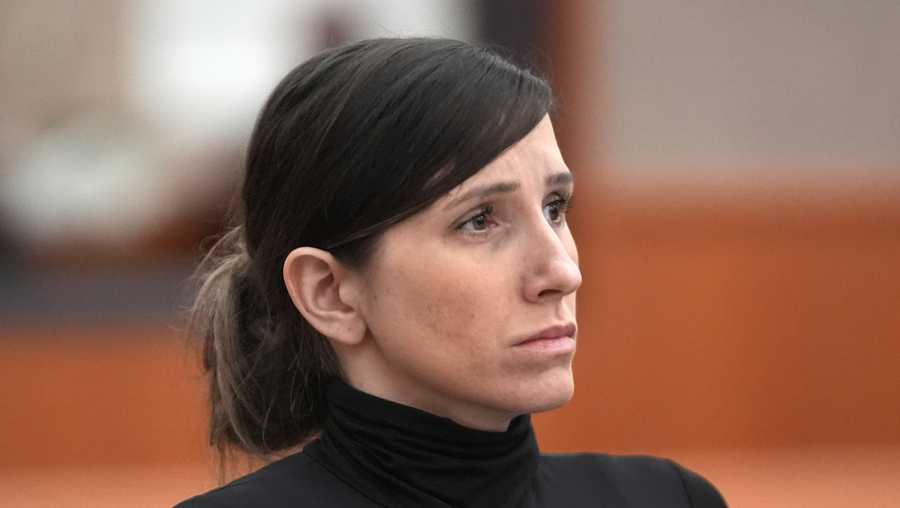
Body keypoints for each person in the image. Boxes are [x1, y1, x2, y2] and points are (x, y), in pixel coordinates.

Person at [175, 37, 728, 508]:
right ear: (331, 294)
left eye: (556, 208)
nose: (562, 272)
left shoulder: (667, 499)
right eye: (480, 220)